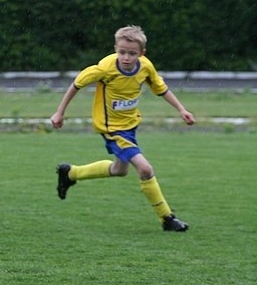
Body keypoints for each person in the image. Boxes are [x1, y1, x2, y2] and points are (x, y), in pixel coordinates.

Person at [50, 25, 195, 232]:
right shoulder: (105, 68)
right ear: (115, 48)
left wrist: (182, 109)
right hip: (111, 128)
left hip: (130, 126)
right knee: (145, 169)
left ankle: (71, 174)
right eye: (122, 52)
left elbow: (161, 89)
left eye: (132, 53)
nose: (126, 57)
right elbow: (76, 84)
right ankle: (167, 218)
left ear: (142, 53)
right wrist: (60, 112)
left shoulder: (145, 67)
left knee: (119, 170)